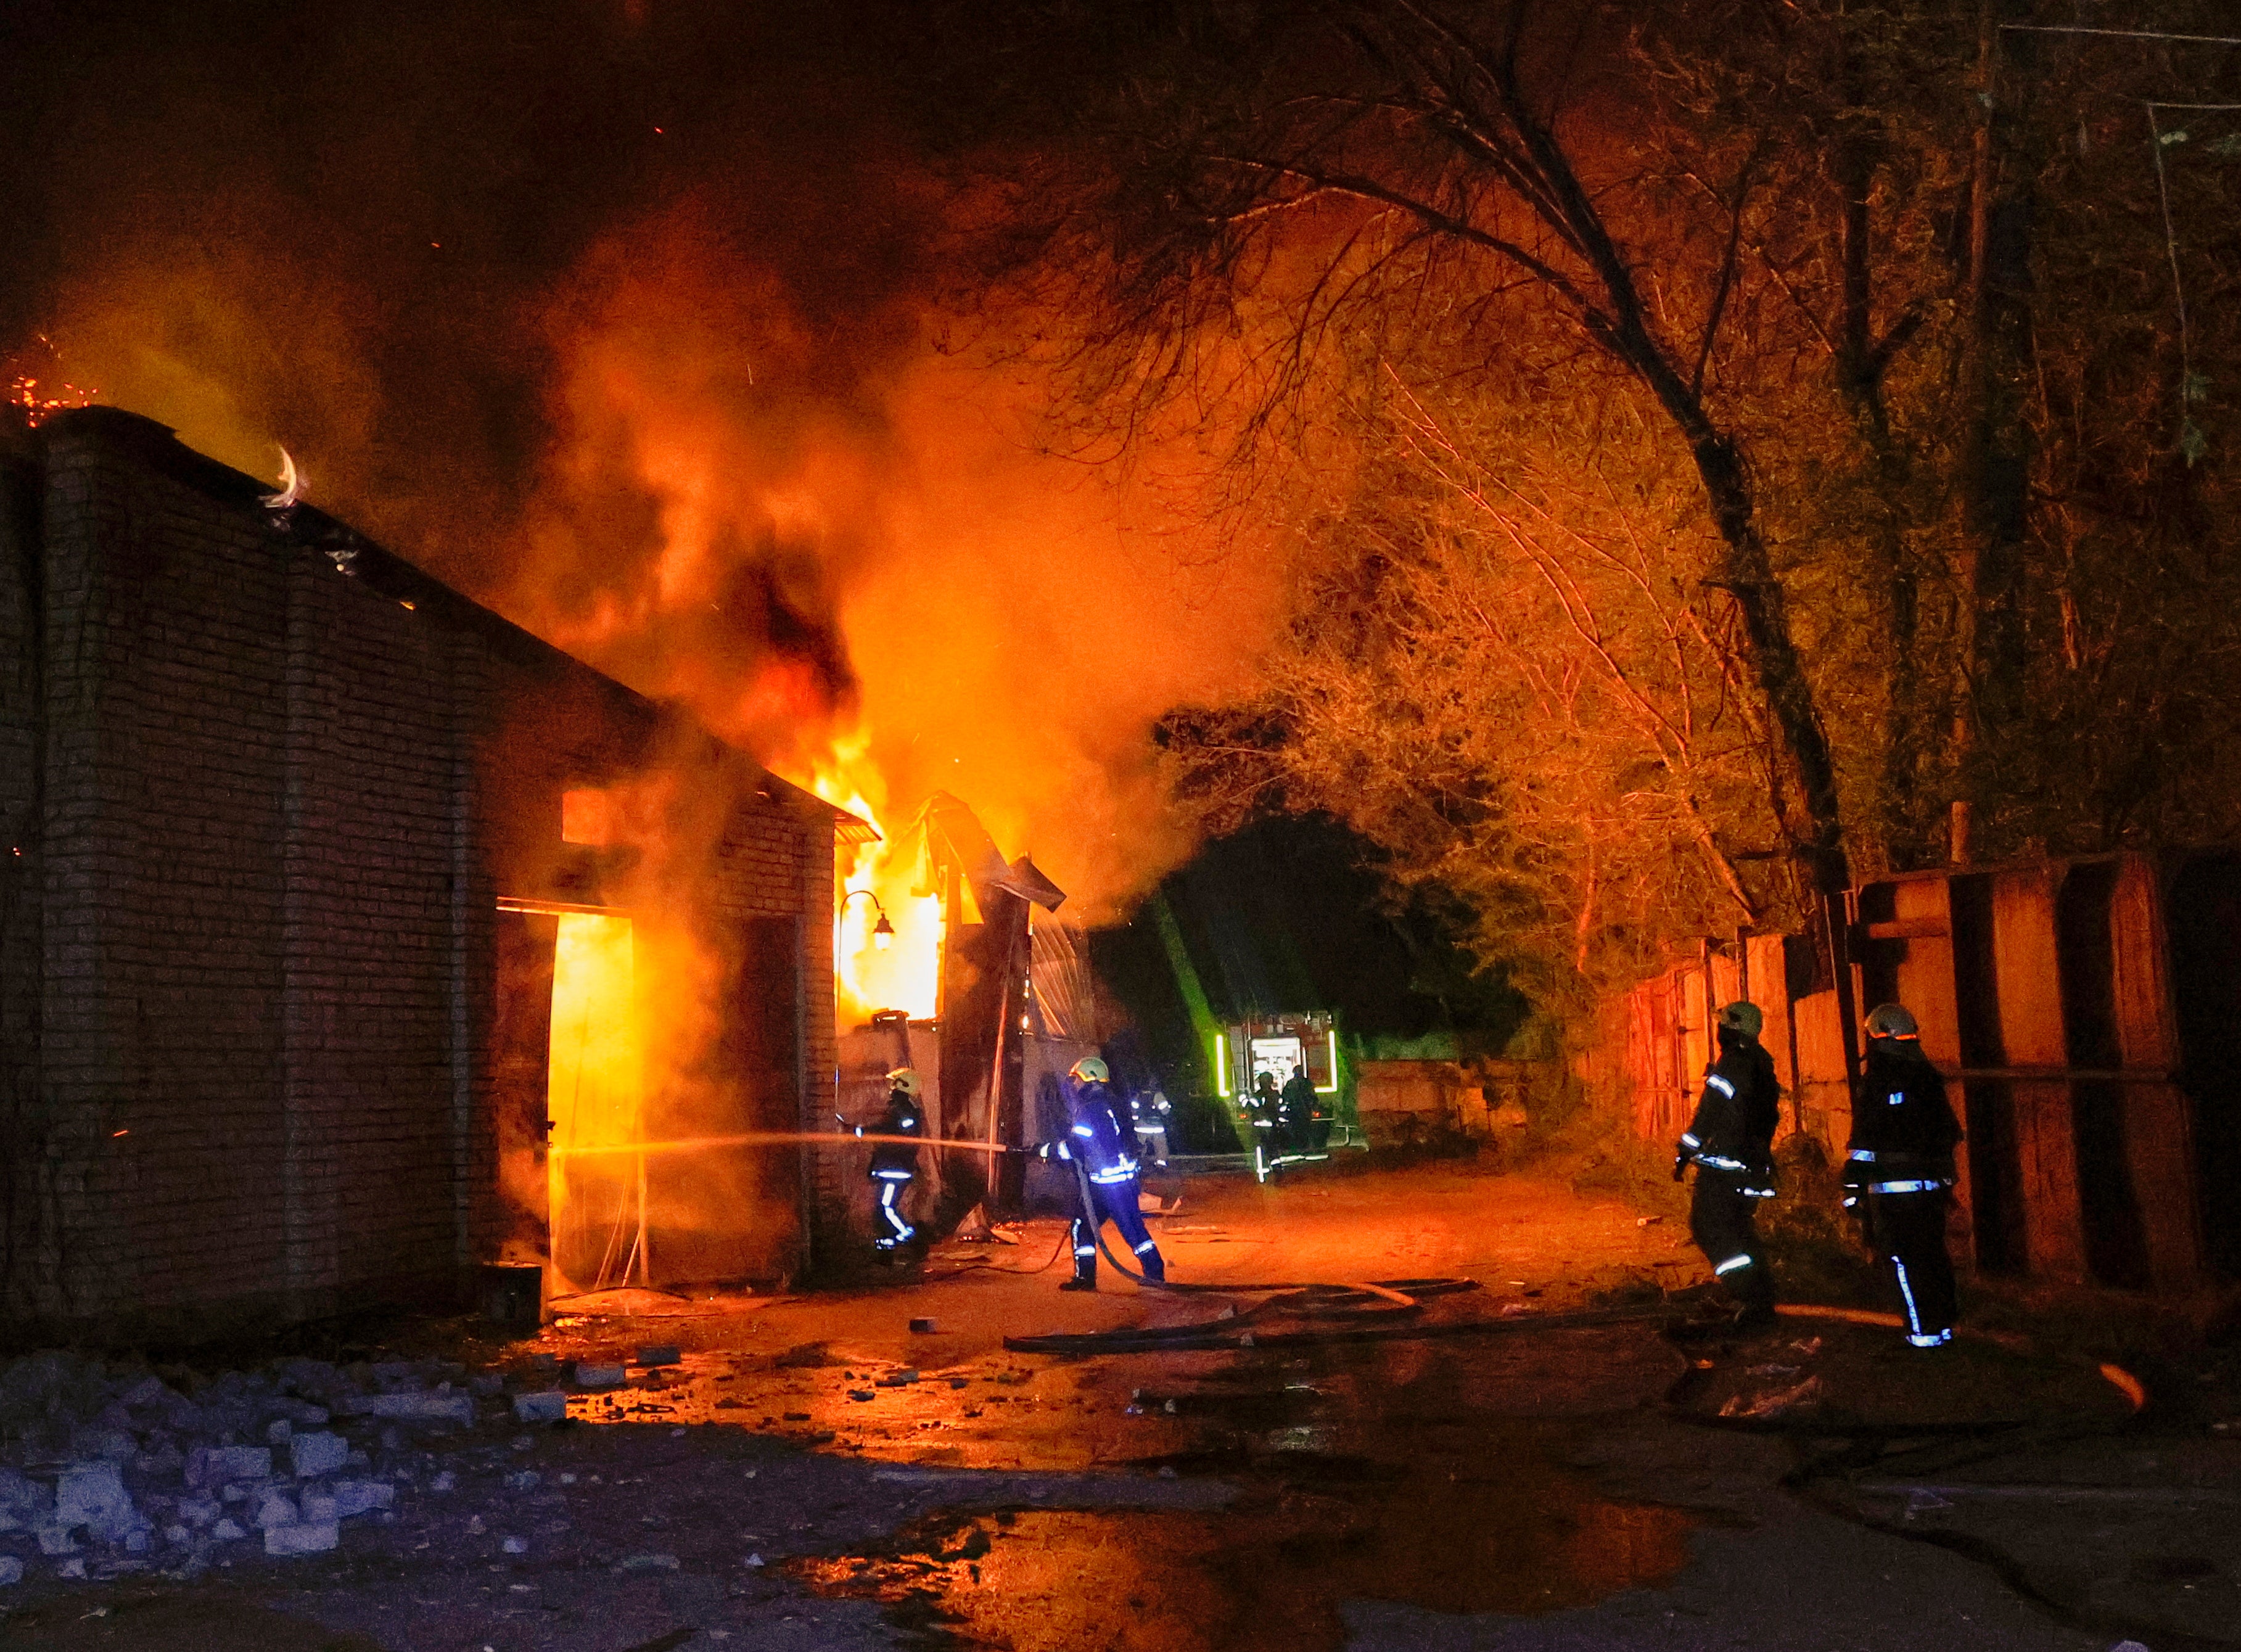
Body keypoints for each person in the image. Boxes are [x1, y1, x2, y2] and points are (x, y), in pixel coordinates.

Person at [1844, 1003, 1963, 1349]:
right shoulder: (1927, 1076)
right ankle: (1942, 1328)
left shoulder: (1879, 1078)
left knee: (1902, 1260)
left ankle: (1922, 1335)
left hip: (1894, 1191)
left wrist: (1852, 1188)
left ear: (1878, 1036)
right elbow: (1947, 1134)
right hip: (1929, 1190)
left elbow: (1865, 1140)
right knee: (1931, 1256)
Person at [1673, 1000, 1782, 1326]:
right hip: (1750, 1166)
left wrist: (1685, 1150)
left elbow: (1710, 1113)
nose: (1718, 1030)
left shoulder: (1734, 1065)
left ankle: (1748, 1296)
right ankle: (1760, 1297)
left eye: (1722, 1024)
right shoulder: (1760, 1062)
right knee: (1738, 1231)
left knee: (1710, 1229)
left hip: (1726, 1167)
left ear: (1731, 1029)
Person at [1038, 1056, 1166, 1292]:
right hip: (1107, 1182)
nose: (1073, 1085)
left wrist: (1046, 1150)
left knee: (1133, 1231)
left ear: (1089, 1080)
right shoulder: (1110, 1103)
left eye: (1076, 1080)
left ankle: (1155, 1273)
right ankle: (1085, 1277)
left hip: (1112, 1184)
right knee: (1083, 1226)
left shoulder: (1091, 1110)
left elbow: (1075, 1147)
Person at [853, 1067, 924, 1258]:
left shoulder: (902, 1109)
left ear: (903, 1085)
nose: (891, 1087)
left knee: (886, 1208)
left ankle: (909, 1236)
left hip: (895, 1169)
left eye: (894, 1083)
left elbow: (892, 1132)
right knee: (883, 1209)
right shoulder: (904, 1108)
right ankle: (887, 1249)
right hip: (893, 1167)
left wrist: (866, 1132)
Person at [1130, 1080, 1174, 1169]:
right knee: (1161, 1146)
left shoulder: (1138, 1095)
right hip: (1156, 1128)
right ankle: (1160, 1165)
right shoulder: (1158, 1095)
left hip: (1141, 1127)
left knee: (1140, 1146)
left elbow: (1133, 1111)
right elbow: (1165, 1111)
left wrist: (1136, 1121)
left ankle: (1139, 1164)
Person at [1248, 1069, 1283, 1174]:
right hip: (1272, 1128)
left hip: (1260, 1128)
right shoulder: (1275, 1095)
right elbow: (1279, 1110)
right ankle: (1276, 1168)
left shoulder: (1257, 1096)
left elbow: (1252, 1110)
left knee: (1262, 1149)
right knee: (1273, 1149)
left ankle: (1265, 1169)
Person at [1280, 1065, 1318, 1159]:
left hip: (1296, 1112)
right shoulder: (1307, 1083)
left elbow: (1285, 1097)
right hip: (1301, 1112)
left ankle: (1300, 1148)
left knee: (1298, 1130)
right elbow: (1313, 1097)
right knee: (1304, 1129)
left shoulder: (1291, 1084)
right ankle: (1305, 1148)